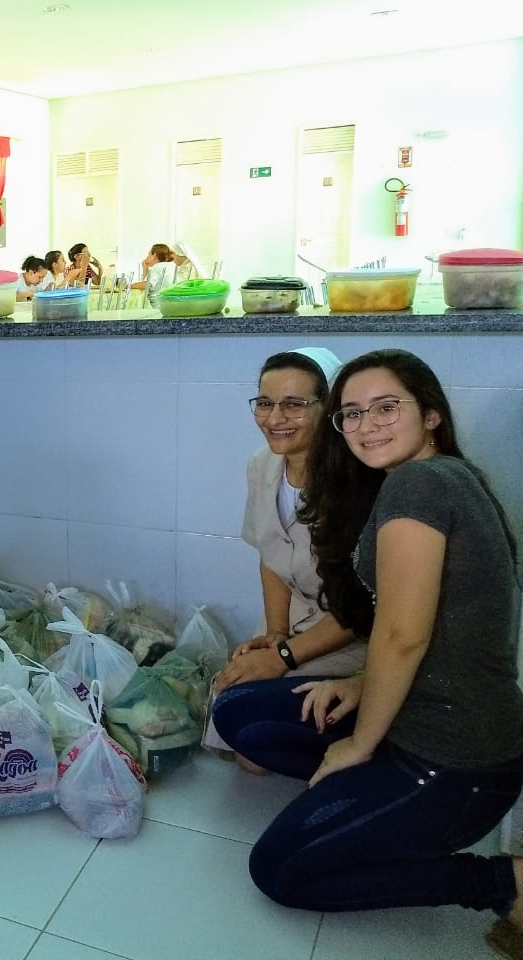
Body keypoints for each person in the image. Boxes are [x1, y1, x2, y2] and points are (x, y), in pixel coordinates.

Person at [210, 349, 523, 950]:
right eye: (352, 414)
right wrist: (355, 688)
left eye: (386, 408)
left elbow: (404, 636)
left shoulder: (419, 487)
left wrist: (357, 741)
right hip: (416, 721)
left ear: (430, 415)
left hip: (455, 762)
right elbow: (413, 630)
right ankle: (367, 789)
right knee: (240, 712)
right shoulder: (421, 480)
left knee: (278, 869)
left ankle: (502, 882)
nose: (366, 425)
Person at [206, 348, 366, 761]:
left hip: (355, 629)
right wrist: (276, 631)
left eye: (294, 404)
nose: (275, 419)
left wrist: (283, 656)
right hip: (295, 611)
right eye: (264, 403)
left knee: (255, 722)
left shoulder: (357, 479)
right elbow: (270, 553)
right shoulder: (263, 466)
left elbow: (365, 605)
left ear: (328, 405)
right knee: (236, 720)